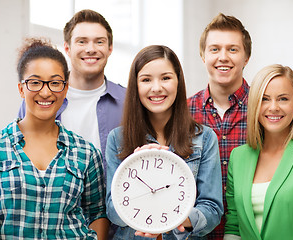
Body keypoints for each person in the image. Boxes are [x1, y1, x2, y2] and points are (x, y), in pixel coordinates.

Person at [0, 38, 108, 239]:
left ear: (65, 89)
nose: (45, 92)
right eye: (35, 82)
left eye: (55, 83)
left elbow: (97, 214)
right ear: (21, 88)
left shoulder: (87, 152)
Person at [106, 45, 223, 239]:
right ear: (136, 86)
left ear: (178, 81)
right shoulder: (117, 139)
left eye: (166, 78)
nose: (157, 88)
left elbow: (212, 211)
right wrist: (135, 166)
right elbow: (112, 211)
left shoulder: (205, 138)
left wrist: (169, 218)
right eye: (146, 80)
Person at [224, 64, 293, 240]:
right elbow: (234, 225)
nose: (273, 107)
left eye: (283, 99)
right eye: (265, 99)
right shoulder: (238, 156)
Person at [18, 9, 126, 175]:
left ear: (110, 48)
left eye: (99, 42)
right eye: (82, 42)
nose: (90, 49)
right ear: (67, 48)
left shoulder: (127, 101)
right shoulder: (40, 99)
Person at [187, 13, 251, 239]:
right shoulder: (183, 114)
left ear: (246, 57)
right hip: (196, 234)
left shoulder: (264, 111)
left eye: (232, 49)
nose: (223, 57)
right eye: (214, 49)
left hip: (249, 231)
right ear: (203, 55)